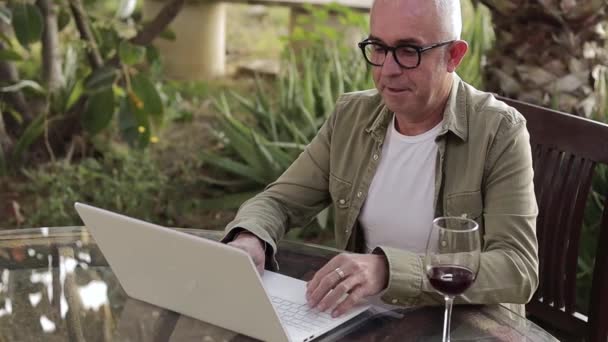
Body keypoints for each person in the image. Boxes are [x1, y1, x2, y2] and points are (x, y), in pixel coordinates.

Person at [222, 0, 539, 318]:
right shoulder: (352, 117)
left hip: (460, 325)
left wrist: (388, 270)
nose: (387, 69)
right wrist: (250, 237)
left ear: (453, 55)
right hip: (364, 321)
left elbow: (517, 267)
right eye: (378, 47)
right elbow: (279, 202)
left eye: (407, 51)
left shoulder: (499, 131)